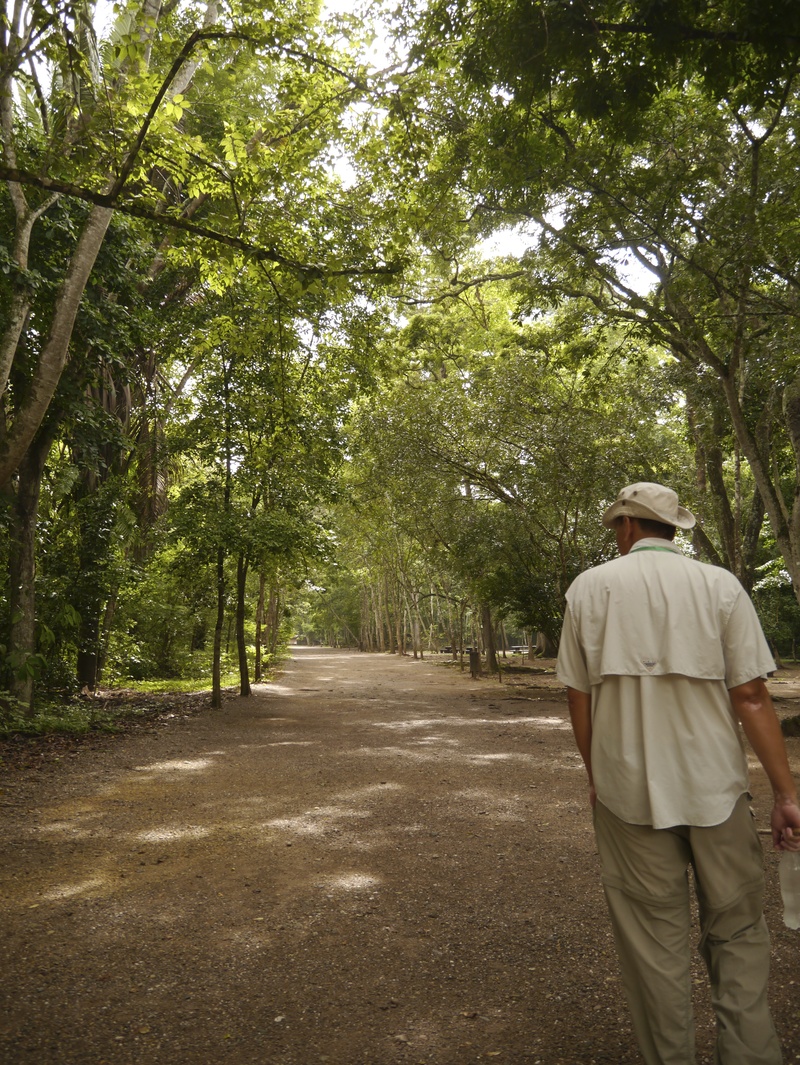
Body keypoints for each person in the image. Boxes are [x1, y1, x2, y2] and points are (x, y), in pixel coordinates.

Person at [556, 481, 800, 1065]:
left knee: (653, 948)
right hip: (716, 791)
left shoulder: (590, 590)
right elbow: (750, 697)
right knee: (738, 934)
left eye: (616, 527)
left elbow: (579, 699)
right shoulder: (719, 586)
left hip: (627, 798)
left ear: (628, 527)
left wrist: (597, 776)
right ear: (673, 529)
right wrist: (786, 793)